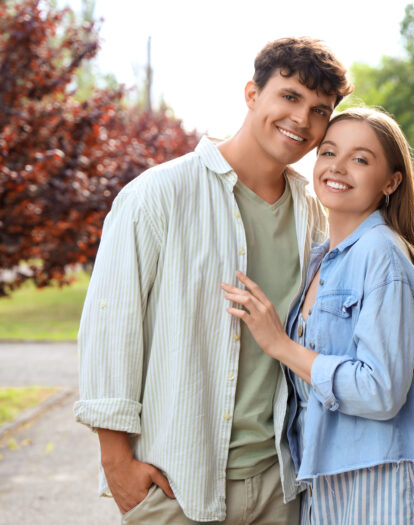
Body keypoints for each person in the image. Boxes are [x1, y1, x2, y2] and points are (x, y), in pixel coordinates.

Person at [74, 37, 352, 524]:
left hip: (280, 483)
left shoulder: (314, 213)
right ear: (252, 94)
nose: (302, 120)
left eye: (319, 110)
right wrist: (117, 464)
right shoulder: (157, 196)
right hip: (176, 483)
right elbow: (110, 329)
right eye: (289, 96)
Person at [222, 107, 414, 524]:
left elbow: (381, 390)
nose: (338, 168)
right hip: (326, 480)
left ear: (391, 182)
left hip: (380, 481)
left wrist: (281, 345)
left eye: (360, 159)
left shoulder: (380, 253)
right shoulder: (321, 258)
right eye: (328, 152)